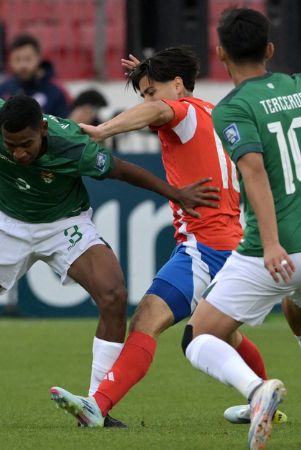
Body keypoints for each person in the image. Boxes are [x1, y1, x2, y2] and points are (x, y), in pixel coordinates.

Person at [0, 0, 218, 428]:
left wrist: (174, 192)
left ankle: (96, 407)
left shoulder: (70, 143)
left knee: (113, 296)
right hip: (7, 226)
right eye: (10, 145)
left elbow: (123, 170)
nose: (18, 152)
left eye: (26, 145)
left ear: (43, 131)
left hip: (66, 226)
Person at [48, 47, 286, 427]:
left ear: (178, 85)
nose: (147, 101)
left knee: (145, 321)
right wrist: (146, 76)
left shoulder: (183, 110)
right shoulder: (216, 112)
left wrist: (103, 129)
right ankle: (265, 397)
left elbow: (162, 110)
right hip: (235, 244)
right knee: (222, 335)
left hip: (204, 247)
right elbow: (159, 105)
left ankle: (99, 405)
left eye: (150, 91)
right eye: (143, 94)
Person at [182, 8, 301, 449]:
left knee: (197, 338)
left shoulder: (233, 108)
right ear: (269, 50)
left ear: (220, 54)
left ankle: (256, 392)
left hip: (271, 253)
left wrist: (270, 244)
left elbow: (253, 172)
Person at [0, 34, 71, 119]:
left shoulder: (56, 91)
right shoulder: (1, 90)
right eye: (17, 59)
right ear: (10, 61)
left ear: (38, 58)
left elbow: (64, 125)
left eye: (28, 59)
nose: (23, 65)